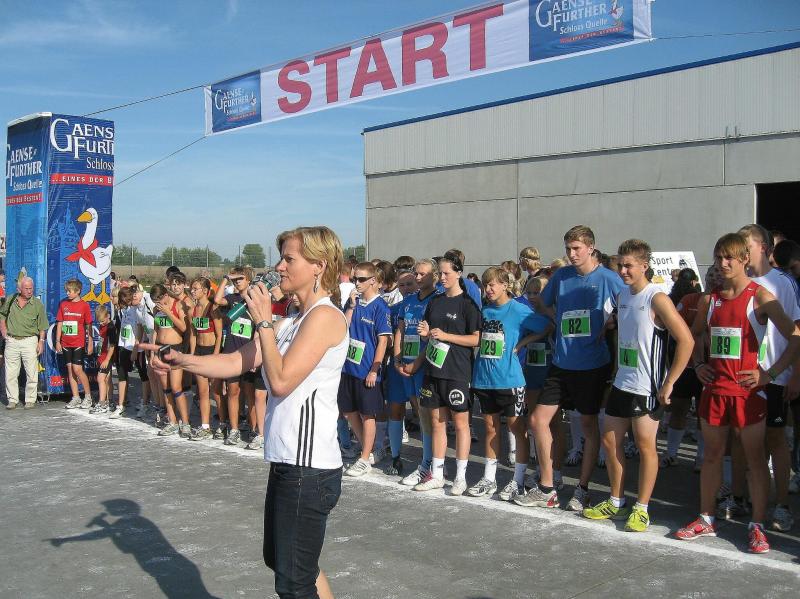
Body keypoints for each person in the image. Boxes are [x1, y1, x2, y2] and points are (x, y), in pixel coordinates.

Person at [147, 225, 348, 599]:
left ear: (319, 265)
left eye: (289, 259)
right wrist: (181, 359)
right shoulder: (292, 321)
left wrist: (264, 321)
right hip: (289, 461)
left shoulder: (325, 317)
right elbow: (234, 361)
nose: (279, 267)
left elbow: (281, 381)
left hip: (309, 467)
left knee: (294, 580)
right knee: (285, 562)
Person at [675, 233, 800, 554]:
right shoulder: (710, 300)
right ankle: (706, 517)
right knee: (712, 456)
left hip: (748, 393)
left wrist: (770, 374)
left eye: (729, 257)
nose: (723, 263)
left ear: (745, 258)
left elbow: (795, 335)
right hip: (715, 391)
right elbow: (694, 335)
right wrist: (698, 364)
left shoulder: (760, 296)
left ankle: (757, 525)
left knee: (755, 459)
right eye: (719, 257)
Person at [582, 239, 693, 532]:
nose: (623, 271)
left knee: (645, 447)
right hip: (623, 382)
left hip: (647, 387)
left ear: (644, 266)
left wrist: (669, 382)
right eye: (620, 265)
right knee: (610, 441)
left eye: (629, 265)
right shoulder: (622, 295)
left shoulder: (657, 298)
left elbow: (686, 340)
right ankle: (616, 501)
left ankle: (642, 508)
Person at [519, 225, 624, 511]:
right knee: (537, 420)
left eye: (577, 248)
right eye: (568, 248)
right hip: (561, 362)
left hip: (592, 364)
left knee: (588, 426)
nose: (572, 253)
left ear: (591, 248)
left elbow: (628, 306)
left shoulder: (608, 278)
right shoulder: (562, 276)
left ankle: (582, 489)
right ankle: (547, 487)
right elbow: (543, 304)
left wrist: (612, 321)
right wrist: (556, 316)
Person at [468, 267, 551, 501]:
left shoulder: (518, 309)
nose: (488, 289)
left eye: (492, 284)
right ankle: (489, 478)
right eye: (485, 285)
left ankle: (518, 481)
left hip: (510, 379)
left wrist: (522, 343)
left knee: (517, 429)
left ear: (505, 285)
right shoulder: (484, 311)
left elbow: (546, 326)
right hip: (484, 378)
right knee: (490, 428)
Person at [403, 253, 482, 495]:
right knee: (437, 422)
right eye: (441, 274)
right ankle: (437, 474)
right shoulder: (435, 302)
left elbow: (476, 339)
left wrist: (446, 336)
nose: (443, 278)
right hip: (433, 369)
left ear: (458, 273)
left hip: (457, 371)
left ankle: (460, 477)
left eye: (447, 273)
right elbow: (430, 334)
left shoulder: (468, 304)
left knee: (460, 424)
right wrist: (425, 333)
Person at [738, 224, 800, 532]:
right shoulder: (738, 281)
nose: (741, 252)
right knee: (745, 441)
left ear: (763, 247)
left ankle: (782, 504)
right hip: (743, 376)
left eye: (746, 245)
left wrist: (794, 375)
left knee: (775, 439)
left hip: (774, 376)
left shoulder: (782, 283)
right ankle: (744, 498)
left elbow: (796, 330)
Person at [339, 262, 392, 477]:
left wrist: (374, 369)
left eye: (361, 279)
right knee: (349, 411)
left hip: (367, 369)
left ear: (373, 280)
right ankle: (366, 450)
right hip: (348, 367)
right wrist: (351, 306)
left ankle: (364, 458)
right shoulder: (354, 301)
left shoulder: (381, 307)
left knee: (367, 414)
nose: (357, 283)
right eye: (355, 279)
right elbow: (343, 326)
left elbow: (383, 341)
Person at [396, 259, 440, 486]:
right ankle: (427, 461)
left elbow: (434, 338)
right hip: (407, 363)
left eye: (423, 274)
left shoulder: (438, 300)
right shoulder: (408, 301)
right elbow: (400, 330)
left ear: (434, 276)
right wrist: (397, 358)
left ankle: (430, 464)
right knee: (420, 414)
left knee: (430, 416)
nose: (419, 277)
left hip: (426, 366)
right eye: (417, 273)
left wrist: (417, 363)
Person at [213, 266, 258, 447]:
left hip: (248, 353)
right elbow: (217, 299)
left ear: (248, 280)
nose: (237, 282)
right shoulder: (232, 299)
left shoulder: (254, 300)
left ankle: (254, 429)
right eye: (235, 279)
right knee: (233, 391)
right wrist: (226, 278)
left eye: (241, 278)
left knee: (250, 394)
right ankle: (234, 429)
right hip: (232, 352)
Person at [0, 276, 48, 409]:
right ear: (19, 289)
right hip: (12, 340)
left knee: (31, 372)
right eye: (26, 288)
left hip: (30, 340)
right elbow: (2, 314)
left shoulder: (37, 304)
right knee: (10, 373)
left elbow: (42, 326)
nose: (29, 291)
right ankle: (12, 400)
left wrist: (41, 341)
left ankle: (30, 400)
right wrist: (3, 331)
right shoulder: (10, 299)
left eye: (31, 288)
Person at [188, 277, 223, 441]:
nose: (192, 291)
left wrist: (215, 355)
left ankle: (223, 423)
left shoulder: (212, 308)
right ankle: (205, 426)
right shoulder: (194, 309)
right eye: (192, 288)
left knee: (216, 391)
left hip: (212, 351)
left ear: (205, 291)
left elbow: (219, 334)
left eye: (195, 288)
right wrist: (192, 354)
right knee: (202, 392)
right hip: (199, 352)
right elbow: (193, 334)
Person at [57, 279, 94, 410]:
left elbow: (89, 325)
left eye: (70, 291)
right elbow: (60, 323)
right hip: (65, 342)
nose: (67, 293)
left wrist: (90, 342)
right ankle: (76, 397)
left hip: (78, 342)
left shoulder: (84, 305)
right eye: (66, 291)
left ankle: (88, 397)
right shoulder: (63, 304)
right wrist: (57, 341)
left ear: (78, 291)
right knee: (70, 369)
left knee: (77, 369)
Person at [91, 304, 118, 414]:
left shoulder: (111, 327)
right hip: (102, 355)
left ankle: (102, 403)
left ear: (108, 316)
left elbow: (112, 345)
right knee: (107, 379)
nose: (101, 323)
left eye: (102, 321)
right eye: (99, 322)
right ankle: (110, 401)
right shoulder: (103, 326)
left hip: (107, 357)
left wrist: (107, 359)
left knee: (100, 378)